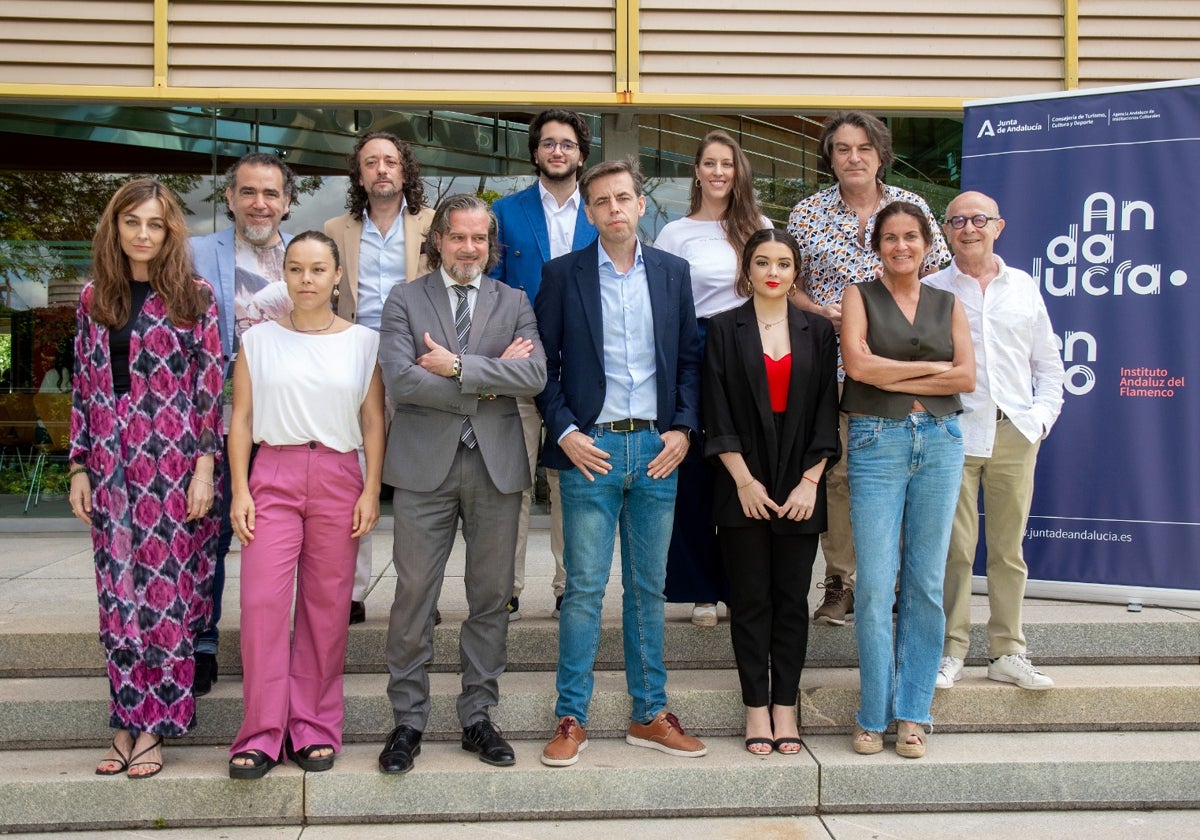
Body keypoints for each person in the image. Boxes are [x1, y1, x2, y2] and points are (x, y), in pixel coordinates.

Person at [536, 159, 706, 768]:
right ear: (588, 212)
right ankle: (571, 716)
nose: (614, 209)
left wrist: (684, 430)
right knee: (582, 590)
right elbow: (544, 368)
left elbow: (690, 359)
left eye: (624, 198)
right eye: (602, 201)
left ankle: (648, 714)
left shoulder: (672, 272)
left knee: (647, 588)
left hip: (658, 452)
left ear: (641, 205)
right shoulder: (563, 276)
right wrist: (566, 432)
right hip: (592, 450)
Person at [377, 194, 546, 775]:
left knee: (491, 598)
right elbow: (401, 382)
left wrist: (456, 367)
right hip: (424, 467)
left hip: (495, 466)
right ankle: (408, 721)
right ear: (438, 240)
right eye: (459, 237)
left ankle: (478, 714)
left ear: (491, 245)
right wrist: (493, 377)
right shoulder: (404, 299)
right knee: (414, 596)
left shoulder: (515, 300)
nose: (470, 249)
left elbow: (535, 373)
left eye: (480, 239)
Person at [68, 178, 224, 779]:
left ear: (169, 231)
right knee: (118, 603)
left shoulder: (194, 297)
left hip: (174, 469)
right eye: (131, 222)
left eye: (154, 224)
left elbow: (210, 387)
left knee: (168, 601)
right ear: (115, 228)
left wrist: (206, 466)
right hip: (109, 472)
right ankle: (125, 719)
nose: (141, 234)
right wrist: (79, 465)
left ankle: (157, 727)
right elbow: (84, 390)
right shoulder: (92, 299)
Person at [225, 231, 384, 779]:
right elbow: (241, 420)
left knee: (326, 608)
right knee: (263, 605)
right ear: (284, 276)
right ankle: (262, 732)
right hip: (273, 473)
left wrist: (370, 488)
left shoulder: (363, 342)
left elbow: (373, 422)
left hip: (340, 475)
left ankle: (313, 726)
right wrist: (241, 489)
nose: (307, 280)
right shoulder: (259, 341)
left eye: (319, 269)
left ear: (338, 275)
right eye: (296, 269)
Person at [788, 111, 951, 626]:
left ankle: (903, 582)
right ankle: (841, 583)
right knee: (839, 476)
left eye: (863, 148)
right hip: (833, 366)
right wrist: (821, 312)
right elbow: (789, 283)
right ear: (829, 158)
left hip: (911, 368)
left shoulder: (913, 207)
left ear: (881, 154)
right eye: (841, 149)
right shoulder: (808, 213)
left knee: (906, 470)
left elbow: (940, 284)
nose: (852, 157)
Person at [839, 201, 974, 759]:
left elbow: (966, 375)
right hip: (876, 441)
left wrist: (902, 371)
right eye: (890, 238)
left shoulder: (950, 304)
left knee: (922, 583)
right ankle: (873, 713)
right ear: (878, 247)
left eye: (911, 237)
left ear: (927, 244)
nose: (901, 246)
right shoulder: (858, 296)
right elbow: (858, 367)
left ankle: (914, 714)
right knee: (874, 585)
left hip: (941, 443)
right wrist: (932, 373)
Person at [703, 229, 839, 755]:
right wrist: (742, 480)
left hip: (802, 478)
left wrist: (811, 480)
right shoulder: (722, 329)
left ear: (795, 271)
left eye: (784, 262)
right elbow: (716, 409)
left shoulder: (818, 331)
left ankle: (787, 705)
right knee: (750, 599)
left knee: (791, 600)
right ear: (747, 270)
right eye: (763, 262)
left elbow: (828, 409)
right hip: (742, 479)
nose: (773, 271)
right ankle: (755, 708)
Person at [925, 191, 1065, 691]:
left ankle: (1008, 652)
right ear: (945, 230)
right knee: (955, 550)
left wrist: (1039, 421)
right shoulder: (931, 289)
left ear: (998, 227)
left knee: (1008, 551)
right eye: (958, 220)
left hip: (1014, 433)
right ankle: (952, 650)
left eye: (979, 219)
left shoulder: (1023, 287)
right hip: (954, 434)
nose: (969, 228)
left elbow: (1049, 366)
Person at [190, 152, 297, 694]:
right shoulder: (192, 254)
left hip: (279, 427)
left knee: (275, 538)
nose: (260, 203)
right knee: (207, 535)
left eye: (271, 194)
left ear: (286, 202)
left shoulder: (304, 258)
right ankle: (201, 641)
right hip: (213, 423)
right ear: (229, 198)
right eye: (249, 192)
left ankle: (276, 642)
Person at [655, 129, 771, 627]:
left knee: (746, 465)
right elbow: (663, 305)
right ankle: (701, 588)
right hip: (696, 348)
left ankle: (742, 585)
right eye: (709, 163)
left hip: (750, 348)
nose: (718, 172)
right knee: (697, 472)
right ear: (697, 172)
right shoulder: (674, 233)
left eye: (727, 163)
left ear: (738, 170)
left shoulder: (759, 226)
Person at [490, 108, 599, 620]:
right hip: (517, 363)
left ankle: (566, 587)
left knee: (567, 481)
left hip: (577, 368)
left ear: (581, 153)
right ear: (535, 152)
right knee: (510, 479)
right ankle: (505, 586)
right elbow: (488, 289)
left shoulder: (600, 212)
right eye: (549, 143)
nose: (558, 151)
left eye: (568, 144)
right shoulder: (506, 213)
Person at [324, 130, 434, 626]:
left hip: (417, 363)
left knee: (419, 486)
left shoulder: (434, 224)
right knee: (355, 480)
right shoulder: (335, 228)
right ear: (360, 173)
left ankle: (420, 597)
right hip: (357, 363)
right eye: (372, 162)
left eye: (391, 161)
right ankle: (351, 592)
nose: (382, 169)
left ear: (405, 170)